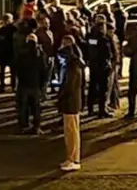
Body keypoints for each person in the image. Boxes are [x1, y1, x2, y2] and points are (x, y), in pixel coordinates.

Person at [56, 36, 84, 172]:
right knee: (71, 130)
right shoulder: (74, 63)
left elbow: (69, 86)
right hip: (72, 101)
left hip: (71, 102)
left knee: (71, 131)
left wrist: (60, 97)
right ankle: (71, 158)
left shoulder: (72, 65)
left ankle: (73, 159)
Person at [14, 32, 45, 132]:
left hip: (23, 83)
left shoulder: (21, 52)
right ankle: (36, 126)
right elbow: (44, 69)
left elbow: (17, 68)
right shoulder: (40, 53)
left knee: (23, 106)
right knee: (36, 107)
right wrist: (42, 83)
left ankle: (23, 125)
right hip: (35, 83)